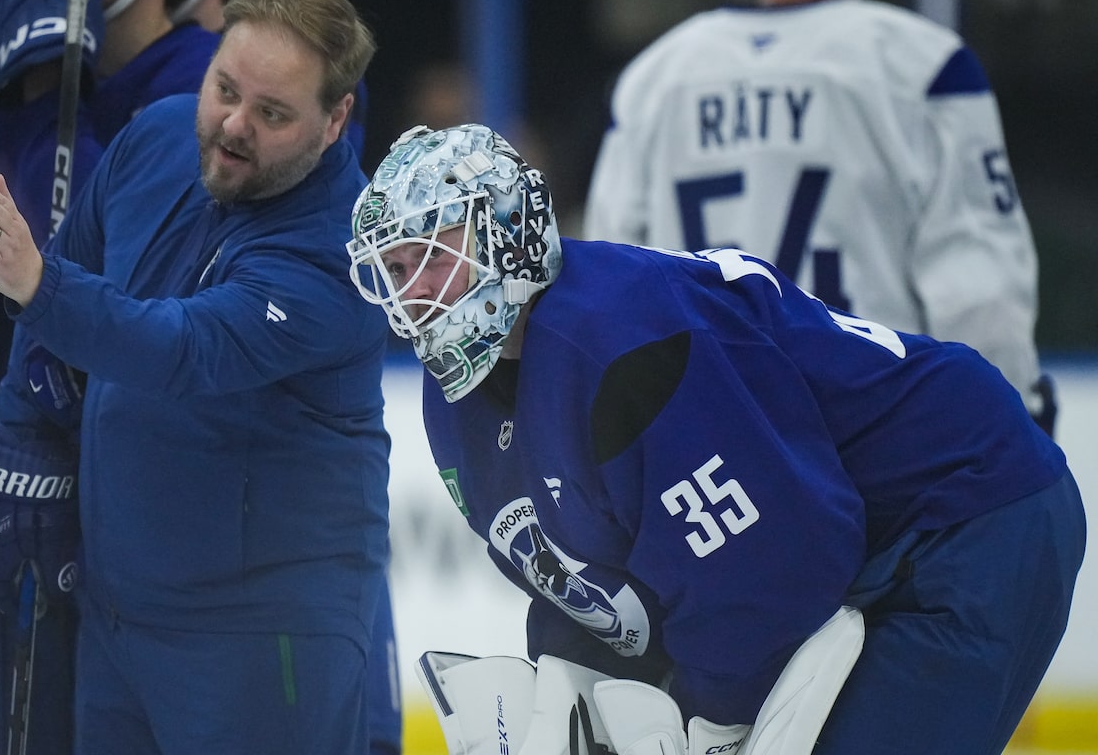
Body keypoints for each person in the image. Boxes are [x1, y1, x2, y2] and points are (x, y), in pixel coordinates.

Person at [345, 123, 1085, 754]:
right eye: (397, 269)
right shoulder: (456, 404)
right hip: (847, 545)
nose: (414, 295)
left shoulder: (624, 342)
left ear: (510, 234)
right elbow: (596, 596)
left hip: (962, 508)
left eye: (436, 257)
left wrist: (706, 716)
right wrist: (571, 698)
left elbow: (775, 572)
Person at [0, 0, 389, 755]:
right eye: (225, 88)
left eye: (272, 113)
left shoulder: (340, 254)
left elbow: (181, 347)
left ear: (336, 121)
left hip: (264, 639)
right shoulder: (157, 137)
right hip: (120, 621)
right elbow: (68, 286)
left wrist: (34, 284)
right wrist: (29, 428)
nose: (233, 124)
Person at [582, 0, 1057, 438]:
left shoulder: (652, 79)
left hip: (713, 447)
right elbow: (979, 293)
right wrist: (1013, 419)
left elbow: (615, 289)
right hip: (873, 436)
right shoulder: (923, 66)